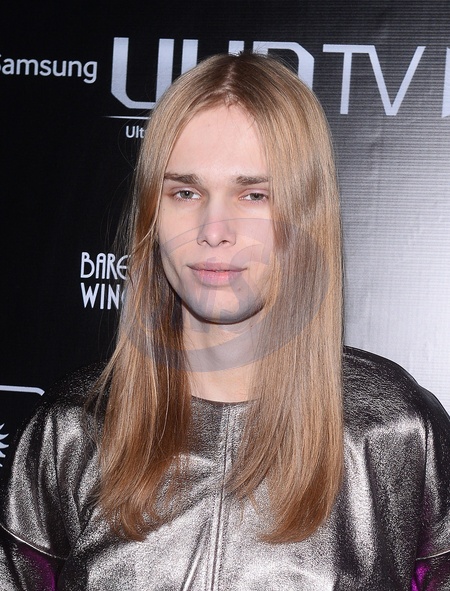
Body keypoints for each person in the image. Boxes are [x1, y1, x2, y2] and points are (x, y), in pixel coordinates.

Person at [1, 52, 449, 590]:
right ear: (152, 218)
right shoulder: (70, 431)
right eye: (185, 192)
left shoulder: (397, 431)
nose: (213, 230)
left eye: (253, 194)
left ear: (305, 216)